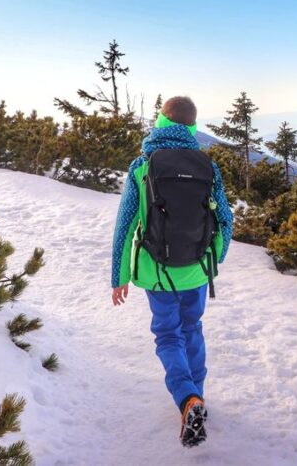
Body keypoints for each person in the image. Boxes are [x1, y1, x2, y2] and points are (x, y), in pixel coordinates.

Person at [110, 96, 233, 448]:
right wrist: (215, 257)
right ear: (193, 127)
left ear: (161, 122)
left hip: (157, 272)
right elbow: (225, 217)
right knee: (192, 328)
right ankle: (199, 395)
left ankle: (186, 398)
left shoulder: (142, 165)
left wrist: (118, 277)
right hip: (196, 270)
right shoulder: (208, 166)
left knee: (168, 335)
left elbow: (125, 224)